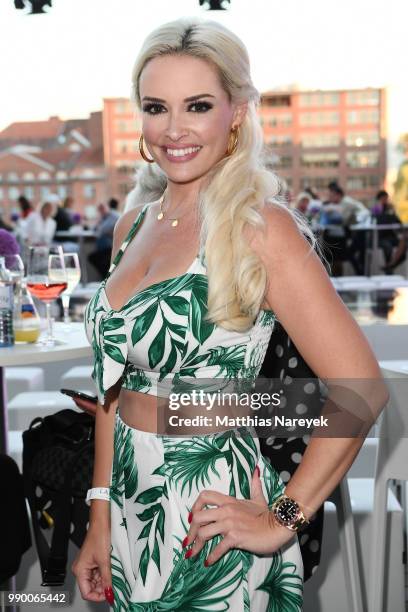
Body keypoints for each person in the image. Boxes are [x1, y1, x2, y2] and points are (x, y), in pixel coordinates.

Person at [71, 17, 388, 610]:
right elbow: (114, 391)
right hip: (130, 506)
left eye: (197, 105)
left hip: (208, 514)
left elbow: (362, 389)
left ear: (237, 112)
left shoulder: (260, 229)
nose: (174, 129)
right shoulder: (132, 226)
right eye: (155, 107)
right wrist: (98, 516)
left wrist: (280, 519)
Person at [371, 190, 407, 272]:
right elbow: (376, 221)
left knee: (403, 246)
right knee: (388, 248)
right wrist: (382, 210)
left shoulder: (390, 209)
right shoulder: (376, 209)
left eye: (386, 198)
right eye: (384, 198)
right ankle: (389, 269)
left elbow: (398, 221)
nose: (385, 200)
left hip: (391, 236)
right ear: (379, 199)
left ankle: (391, 265)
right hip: (381, 237)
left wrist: (392, 213)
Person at [87, 201, 121, 278]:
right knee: (94, 258)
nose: (101, 211)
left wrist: (98, 221)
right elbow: (94, 229)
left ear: (107, 207)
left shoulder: (113, 216)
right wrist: (98, 221)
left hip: (112, 247)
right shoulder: (104, 217)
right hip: (105, 248)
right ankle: (106, 277)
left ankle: (106, 278)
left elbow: (102, 231)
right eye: (99, 209)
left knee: (94, 258)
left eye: (102, 208)